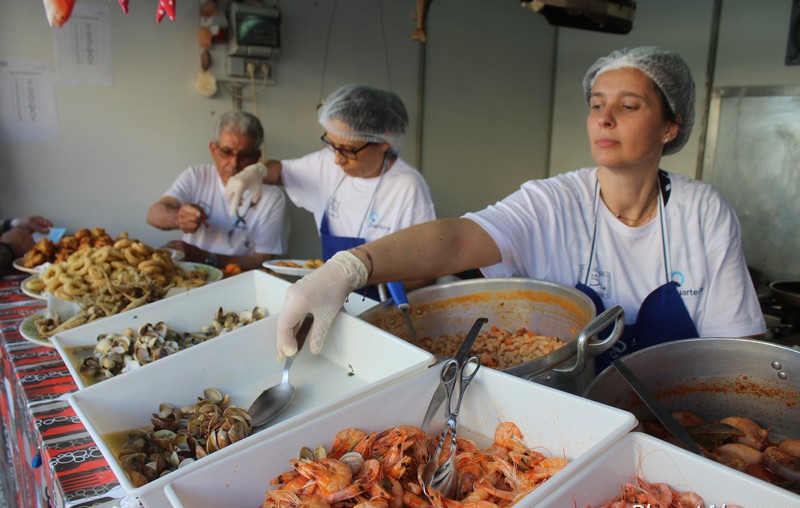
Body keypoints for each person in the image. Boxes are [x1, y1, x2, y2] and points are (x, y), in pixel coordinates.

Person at [270, 46, 766, 368]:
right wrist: (351, 268)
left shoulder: (702, 213)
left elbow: (739, 354)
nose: (604, 118)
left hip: (670, 418)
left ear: (670, 127)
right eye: (596, 104)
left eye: (628, 106)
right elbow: (457, 240)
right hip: (567, 407)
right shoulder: (554, 201)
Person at [224, 84, 436, 294]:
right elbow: (279, 170)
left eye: (348, 150)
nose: (337, 159)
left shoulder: (407, 187)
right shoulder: (325, 163)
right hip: (333, 297)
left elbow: (426, 274)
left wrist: (363, 277)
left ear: (384, 141)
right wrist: (256, 171)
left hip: (381, 303)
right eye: (333, 145)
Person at [146, 110, 289, 270]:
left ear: (256, 157)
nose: (234, 163)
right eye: (226, 152)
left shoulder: (272, 197)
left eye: (244, 155)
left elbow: (262, 260)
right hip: (191, 276)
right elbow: (153, 215)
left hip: (239, 277)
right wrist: (179, 218)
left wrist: (205, 257)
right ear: (213, 150)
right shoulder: (196, 176)